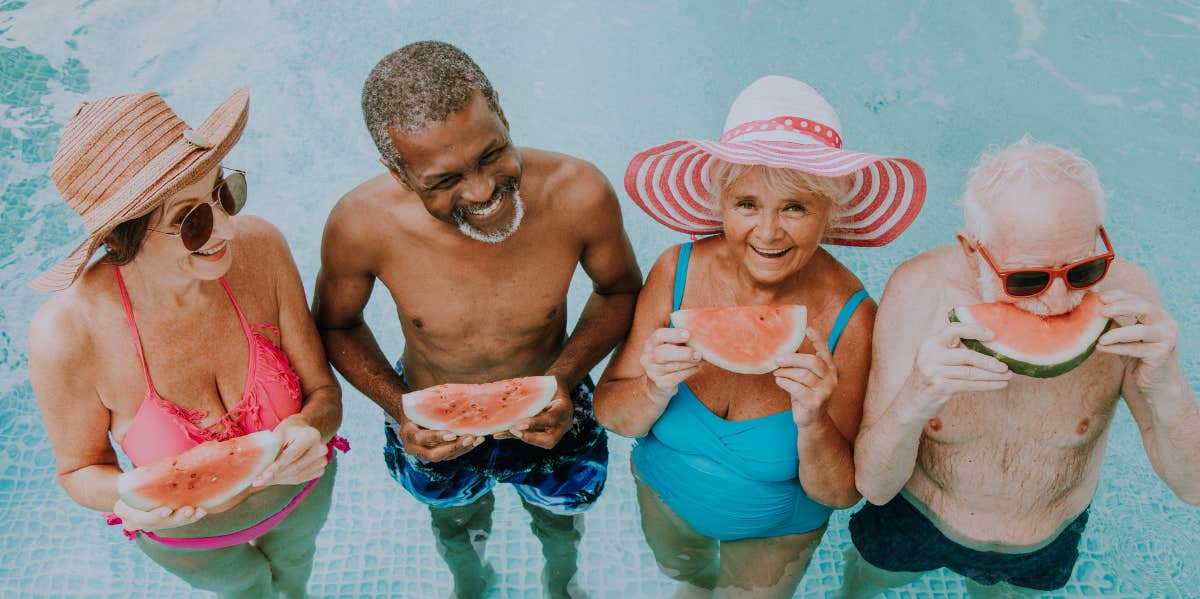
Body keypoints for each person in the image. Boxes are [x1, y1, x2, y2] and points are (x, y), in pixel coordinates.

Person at [313, 41, 642, 599]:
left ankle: (560, 583)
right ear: (397, 172)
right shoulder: (360, 225)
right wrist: (400, 409)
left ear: (504, 116)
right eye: (443, 181)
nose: (484, 190)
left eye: (492, 153)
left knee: (561, 520)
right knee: (453, 520)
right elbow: (337, 325)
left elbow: (618, 291)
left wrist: (562, 379)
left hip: (558, 403)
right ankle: (469, 581)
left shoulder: (578, 191)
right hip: (427, 420)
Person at [593, 76, 928, 598]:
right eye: (747, 204)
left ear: (829, 214)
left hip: (774, 535)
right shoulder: (676, 271)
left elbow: (842, 493)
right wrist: (653, 387)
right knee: (683, 576)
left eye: (794, 207)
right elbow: (612, 415)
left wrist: (813, 418)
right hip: (663, 497)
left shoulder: (853, 320)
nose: (768, 233)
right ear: (721, 203)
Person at [843, 138, 1200, 598]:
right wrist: (917, 395)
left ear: (1100, 239)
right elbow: (874, 486)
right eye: (1026, 280)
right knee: (868, 581)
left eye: (1081, 272)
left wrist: (1166, 382)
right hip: (916, 516)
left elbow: (1192, 489)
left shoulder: (1130, 304)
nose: (1056, 303)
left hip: (1046, 540)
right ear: (972, 251)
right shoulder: (917, 293)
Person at [27, 88, 345, 598]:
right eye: (191, 221)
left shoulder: (262, 247)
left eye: (224, 193)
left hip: (302, 496)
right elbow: (79, 470)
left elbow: (323, 393)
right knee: (252, 592)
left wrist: (311, 427)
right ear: (123, 235)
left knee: (295, 576)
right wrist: (124, 499)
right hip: (193, 543)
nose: (227, 230)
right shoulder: (67, 335)